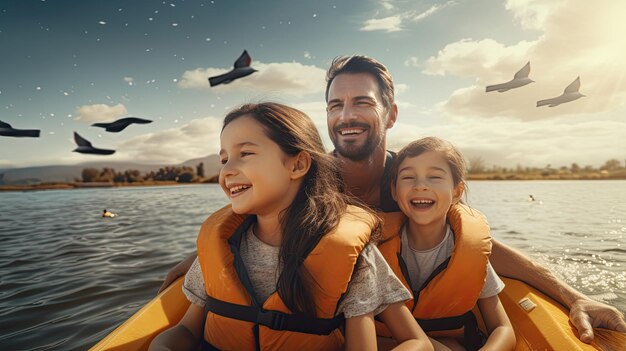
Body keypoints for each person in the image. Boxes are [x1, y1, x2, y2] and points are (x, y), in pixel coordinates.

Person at [159, 55, 626, 343]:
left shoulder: (414, 180)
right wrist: (196, 258)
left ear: (391, 112)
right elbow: (256, 227)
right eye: (335, 105)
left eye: (362, 102)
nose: (347, 116)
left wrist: (572, 296)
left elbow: (481, 250)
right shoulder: (305, 177)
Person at [149, 103, 433, 351]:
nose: (227, 170)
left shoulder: (353, 256)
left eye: (245, 153)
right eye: (224, 159)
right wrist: (161, 346)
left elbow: (413, 341)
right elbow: (186, 331)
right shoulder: (221, 246)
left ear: (297, 165)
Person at [378, 137, 515, 350]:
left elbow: (502, 328)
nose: (420, 186)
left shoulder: (469, 252)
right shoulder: (378, 251)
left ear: (457, 192)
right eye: (408, 177)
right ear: (394, 191)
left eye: (434, 177)